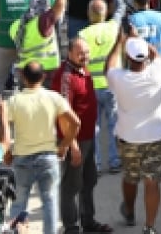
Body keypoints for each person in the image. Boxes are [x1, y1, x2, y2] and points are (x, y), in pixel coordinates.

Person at [107, 32, 161, 234]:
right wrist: (142, 41)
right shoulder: (160, 71)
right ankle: (149, 227)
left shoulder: (119, 78)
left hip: (129, 138)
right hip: (157, 136)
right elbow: (157, 57)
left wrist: (119, 43)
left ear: (128, 58)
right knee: (152, 182)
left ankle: (129, 210)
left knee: (130, 177)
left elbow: (108, 67)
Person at [6, 61, 81, 234]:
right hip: (48, 158)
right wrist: (64, 145)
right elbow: (76, 122)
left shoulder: (14, 101)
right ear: (43, 77)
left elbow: (4, 130)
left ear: (23, 77)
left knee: (19, 203)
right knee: (49, 202)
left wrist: (8, 151)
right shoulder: (54, 97)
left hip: (22, 158)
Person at [51, 38, 113, 233]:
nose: (85, 56)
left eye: (87, 52)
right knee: (71, 185)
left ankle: (88, 221)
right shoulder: (66, 77)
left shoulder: (83, 69)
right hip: (74, 140)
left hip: (88, 137)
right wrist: (73, 145)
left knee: (89, 181)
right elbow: (62, 113)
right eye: (80, 53)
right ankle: (71, 227)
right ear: (69, 53)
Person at [78, 0, 122, 174]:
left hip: (91, 87)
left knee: (93, 128)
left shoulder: (83, 34)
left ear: (89, 14)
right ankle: (114, 161)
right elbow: (121, 8)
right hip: (112, 84)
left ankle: (94, 164)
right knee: (113, 125)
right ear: (105, 13)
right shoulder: (114, 27)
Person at [9, 0, 69, 77]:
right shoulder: (43, 22)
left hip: (25, 71)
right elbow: (60, 5)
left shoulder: (15, 25)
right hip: (46, 70)